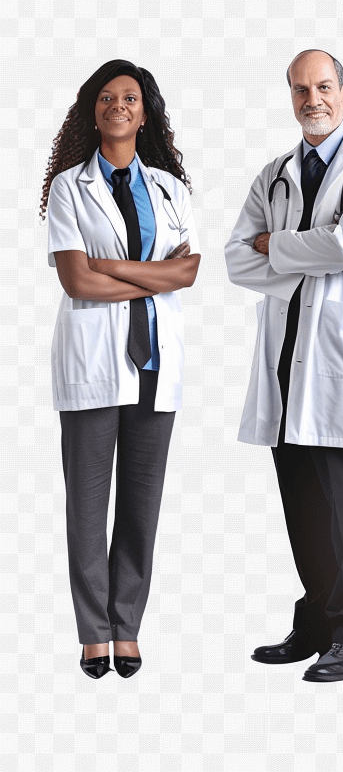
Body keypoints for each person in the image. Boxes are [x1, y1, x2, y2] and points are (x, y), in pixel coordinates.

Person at [225, 49, 343, 682]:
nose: (312, 99)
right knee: (301, 503)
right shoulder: (274, 172)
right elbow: (235, 260)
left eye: (323, 87)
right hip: (281, 362)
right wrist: (301, 251)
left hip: (335, 362)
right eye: (300, 89)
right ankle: (317, 620)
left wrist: (278, 246)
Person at [42, 59, 200, 680]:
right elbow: (74, 277)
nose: (117, 106)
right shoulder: (67, 188)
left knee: (141, 503)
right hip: (91, 359)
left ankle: (127, 625)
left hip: (156, 361)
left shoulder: (169, 187)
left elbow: (188, 273)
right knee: (86, 503)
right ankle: (93, 631)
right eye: (106, 97)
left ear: (144, 111)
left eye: (129, 97)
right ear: (93, 110)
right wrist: (150, 279)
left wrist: (111, 269)